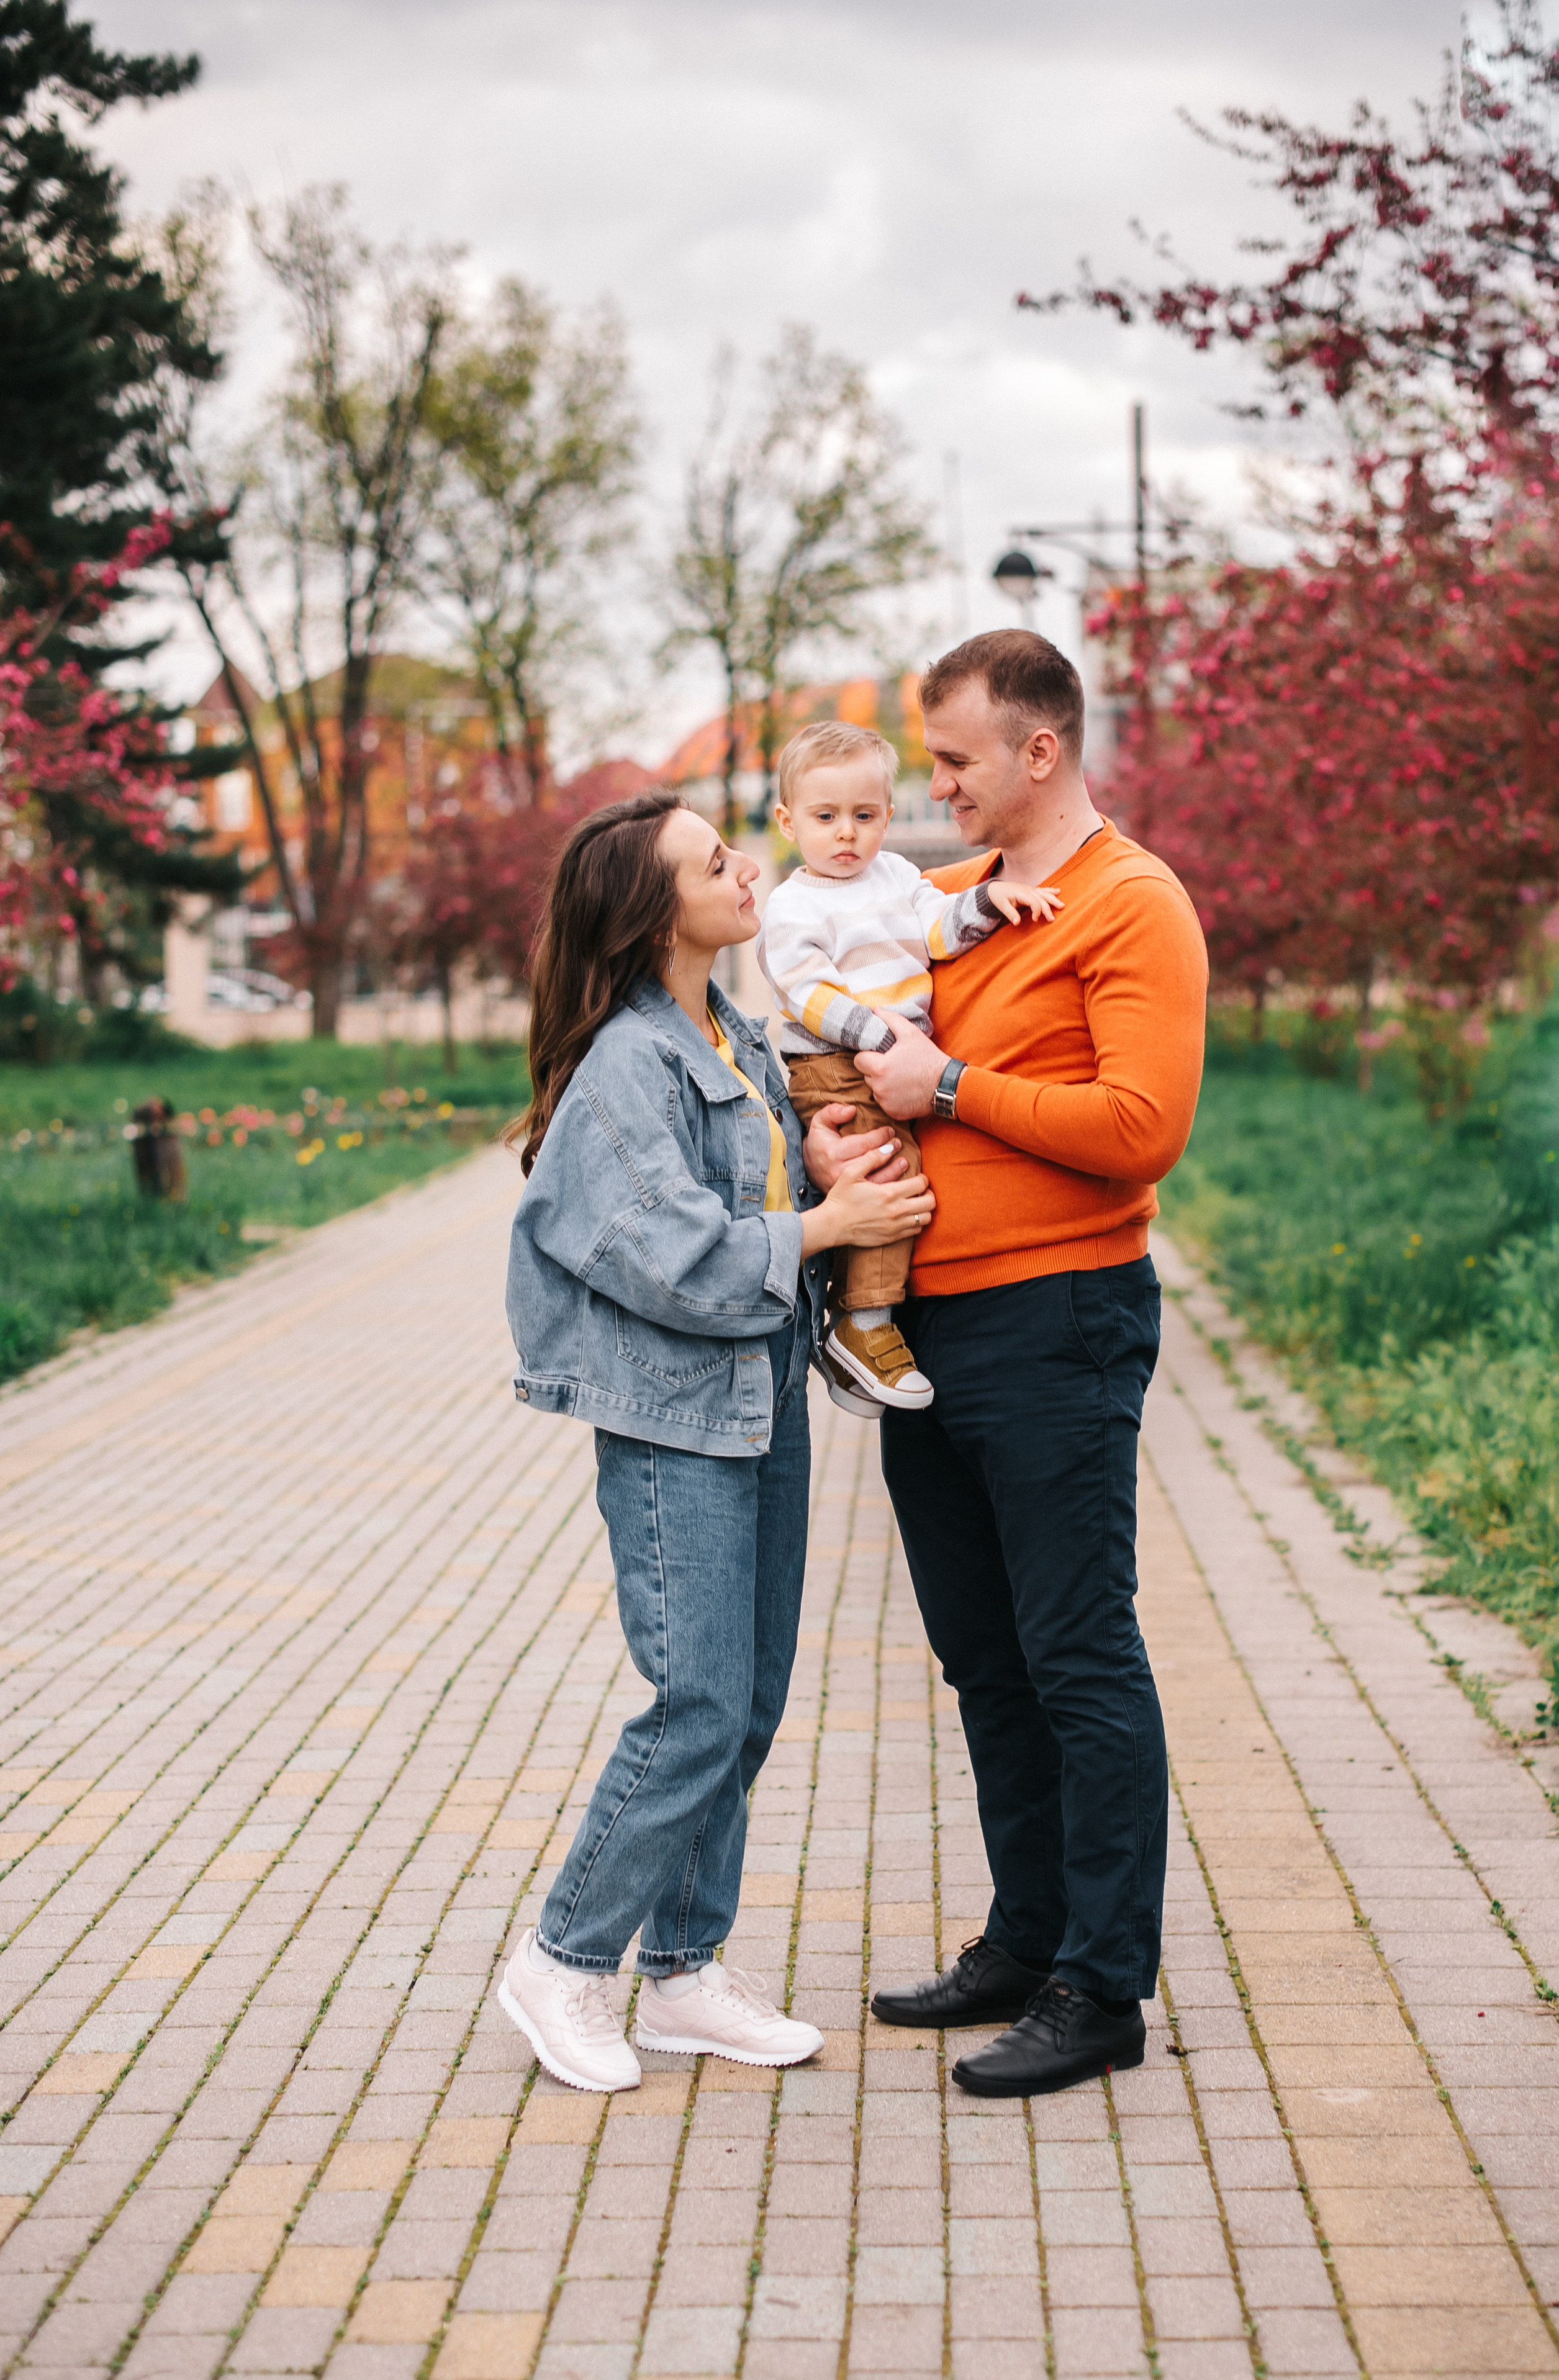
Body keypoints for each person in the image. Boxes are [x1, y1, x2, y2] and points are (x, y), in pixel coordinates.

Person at [806, 629, 1208, 2098]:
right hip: (926, 1328)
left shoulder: (1127, 901)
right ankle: (1025, 1938)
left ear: (1038, 749)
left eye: (957, 758)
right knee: (983, 1659)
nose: (936, 783)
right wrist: (838, 1128)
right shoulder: (949, 907)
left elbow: (1139, 1125)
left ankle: (1102, 1987)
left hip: (1058, 1318)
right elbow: (863, 1060)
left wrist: (953, 1085)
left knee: (1075, 1651)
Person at [500, 787, 935, 2093]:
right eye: (712, 861)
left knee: (744, 1704)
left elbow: (735, 1192)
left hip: (755, 1400)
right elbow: (670, 1256)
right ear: (653, 910)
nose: (747, 867)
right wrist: (825, 1231)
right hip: (673, 1417)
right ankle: (563, 1961)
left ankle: (682, 1975)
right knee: (693, 1703)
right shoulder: (630, 1058)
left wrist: (813, 1170)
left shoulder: (728, 1027)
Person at [757, 717, 1060, 1410]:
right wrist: (878, 1034)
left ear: (889, 817)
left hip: (880, 1051)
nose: (846, 834)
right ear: (786, 821)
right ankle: (863, 1327)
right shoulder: (794, 904)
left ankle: (856, 1336)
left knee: (890, 1176)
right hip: (835, 1060)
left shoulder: (895, 875)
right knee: (891, 1174)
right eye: (825, 816)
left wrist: (989, 900)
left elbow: (938, 927)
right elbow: (805, 992)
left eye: (864, 816)